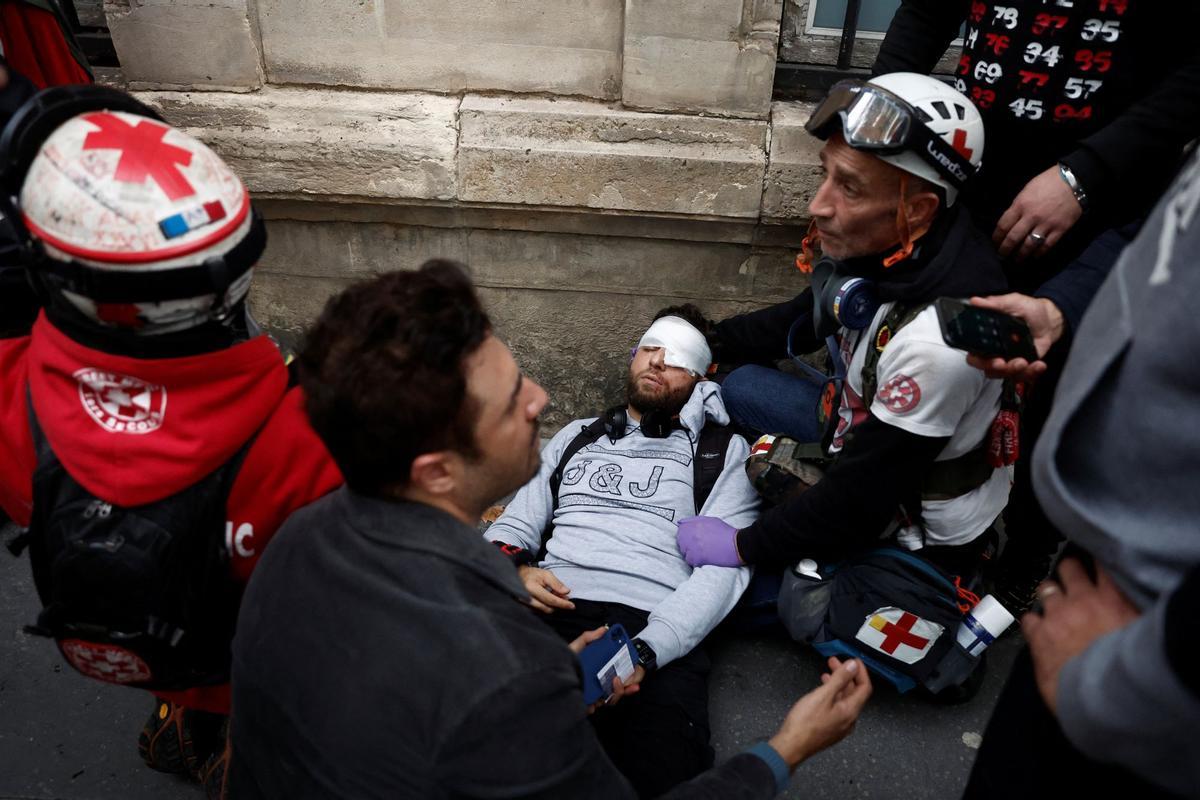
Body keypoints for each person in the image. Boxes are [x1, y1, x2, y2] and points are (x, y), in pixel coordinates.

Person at [229, 261, 873, 799]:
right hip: (552, 620)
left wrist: (584, 651)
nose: (539, 397)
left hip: (639, 623)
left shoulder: (300, 544)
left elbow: (718, 573)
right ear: (438, 468)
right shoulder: (492, 675)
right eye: (511, 398)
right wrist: (787, 748)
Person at [0, 86, 341, 796]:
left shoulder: (7, 396)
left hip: (139, 636)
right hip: (250, 663)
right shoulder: (313, 435)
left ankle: (179, 727)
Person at [678, 74, 1011, 694]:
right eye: (824, 175)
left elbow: (861, 498)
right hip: (856, 435)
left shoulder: (941, 341)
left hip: (913, 525)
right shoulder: (896, 249)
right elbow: (804, 316)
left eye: (848, 187)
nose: (818, 205)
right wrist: (703, 340)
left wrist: (747, 545)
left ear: (918, 207)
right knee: (744, 384)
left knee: (706, 588)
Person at [872, 0, 1200, 613]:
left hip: (1106, 201)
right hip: (972, 188)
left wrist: (1085, 174)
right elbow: (924, 12)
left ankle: (1026, 557)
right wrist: (872, 115)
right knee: (944, 364)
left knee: (1051, 397)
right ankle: (927, 535)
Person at [962, 144, 1200, 799]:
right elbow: (1154, 234)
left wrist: (1127, 680)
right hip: (1103, 581)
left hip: (1155, 648)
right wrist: (1061, 307)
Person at [484, 304, 758, 796]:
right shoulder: (576, 435)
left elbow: (725, 571)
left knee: (658, 770)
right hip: (551, 605)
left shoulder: (723, 451)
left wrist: (649, 651)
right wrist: (514, 572)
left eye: (675, 357)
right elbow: (517, 523)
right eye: (650, 348)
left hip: (650, 623)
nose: (656, 361)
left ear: (702, 374)